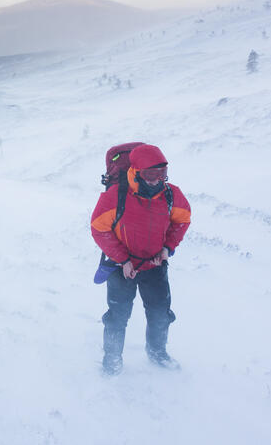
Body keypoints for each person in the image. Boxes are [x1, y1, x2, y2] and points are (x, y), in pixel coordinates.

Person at [90, 144, 191, 375]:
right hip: (121, 268)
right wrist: (122, 259)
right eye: (150, 174)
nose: (157, 180)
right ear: (136, 172)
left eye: (162, 174)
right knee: (117, 316)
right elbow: (99, 229)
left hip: (155, 265)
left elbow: (182, 221)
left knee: (160, 313)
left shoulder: (170, 195)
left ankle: (157, 352)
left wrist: (167, 248)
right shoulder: (116, 196)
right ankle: (112, 359)